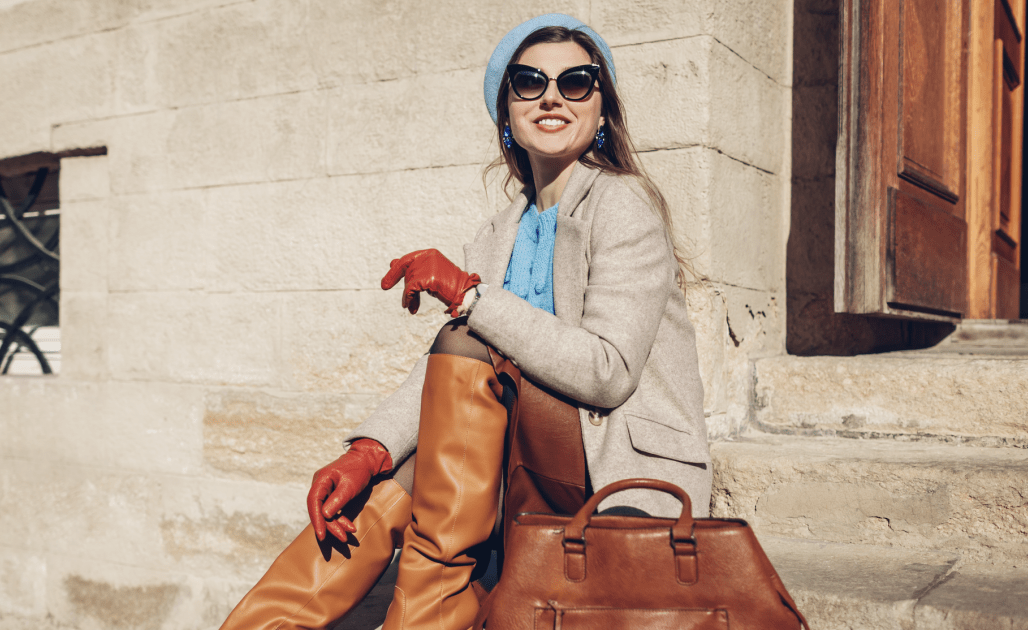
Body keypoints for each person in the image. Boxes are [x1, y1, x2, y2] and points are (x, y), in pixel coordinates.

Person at [219, 13, 709, 630]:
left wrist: (469, 297)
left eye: (575, 82)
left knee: (462, 342)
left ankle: (429, 612)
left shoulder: (622, 205)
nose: (552, 97)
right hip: (517, 462)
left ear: (602, 109)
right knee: (383, 484)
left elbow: (607, 373)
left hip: (607, 465)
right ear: (507, 114)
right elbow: (451, 375)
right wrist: (369, 451)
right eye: (529, 82)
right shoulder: (498, 234)